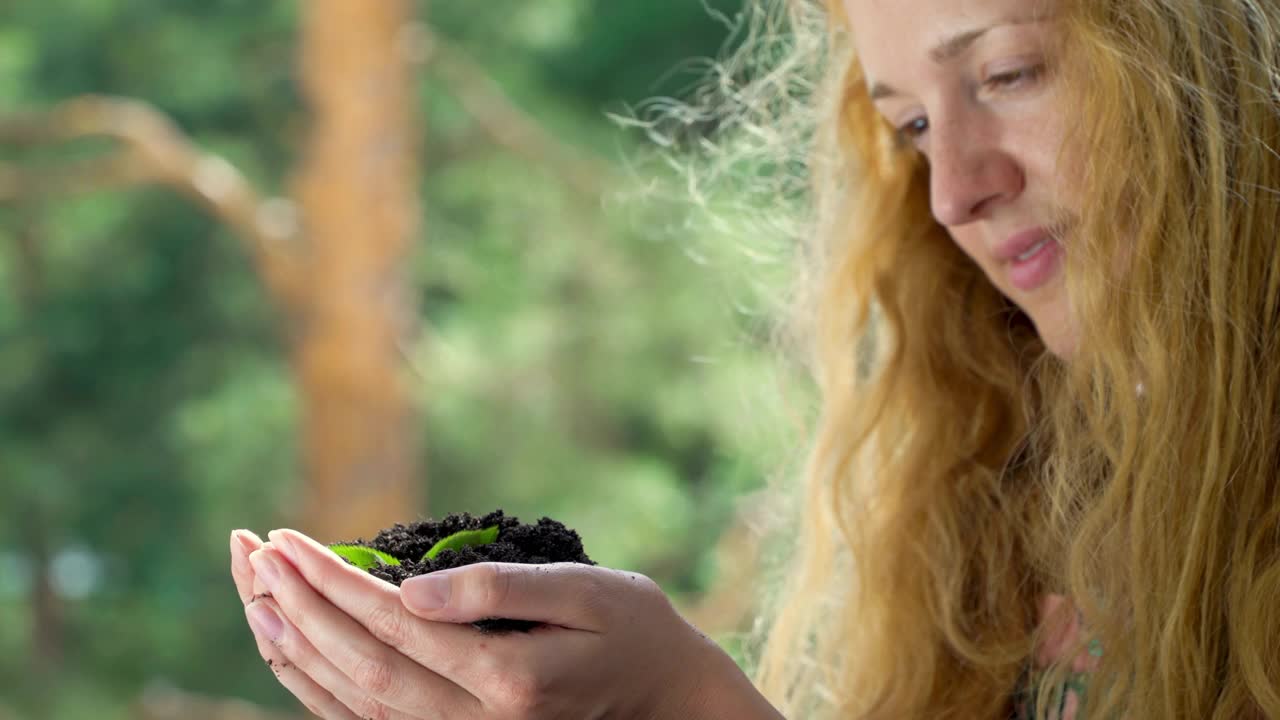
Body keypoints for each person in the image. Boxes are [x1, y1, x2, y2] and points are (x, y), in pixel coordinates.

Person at [230, 0, 1280, 717]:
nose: (954, 191)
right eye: (911, 125)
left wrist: (686, 701)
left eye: (1007, 74)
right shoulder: (1007, 493)